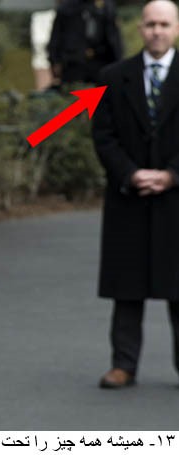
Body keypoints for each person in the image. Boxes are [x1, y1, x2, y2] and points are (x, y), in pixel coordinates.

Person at [92, 0, 179, 388]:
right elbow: (103, 135)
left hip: (176, 198)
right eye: (151, 24)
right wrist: (131, 173)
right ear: (140, 28)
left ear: (176, 28)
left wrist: (172, 175)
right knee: (126, 286)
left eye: (164, 24)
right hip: (128, 196)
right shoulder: (112, 77)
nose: (157, 30)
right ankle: (123, 365)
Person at [48, 0, 123, 85]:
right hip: (74, 64)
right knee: (77, 90)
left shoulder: (106, 7)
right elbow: (56, 38)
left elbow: (114, 40)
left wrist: (119, 63)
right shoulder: (66, 8)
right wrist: (54, 61)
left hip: (100, 62)